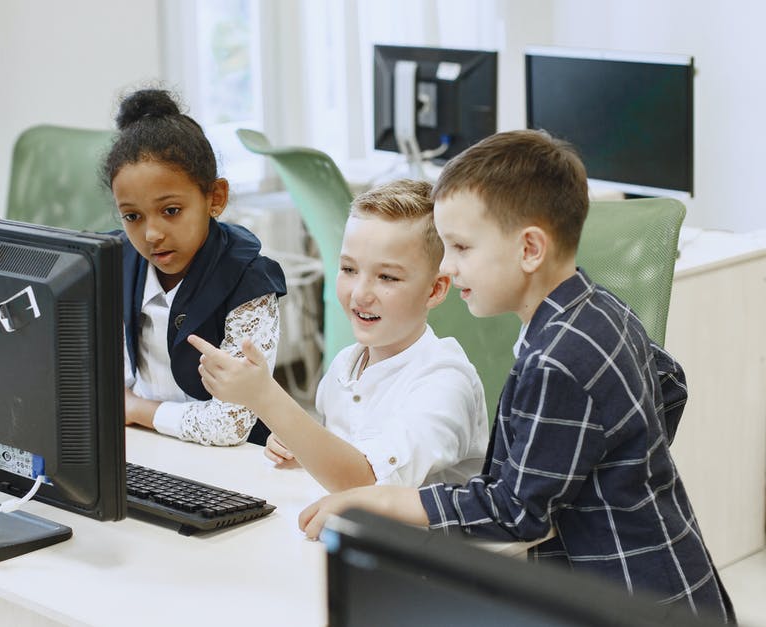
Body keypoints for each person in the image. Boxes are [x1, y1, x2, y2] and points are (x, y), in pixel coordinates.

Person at [298, 130, 734, 622]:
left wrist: (383, 500)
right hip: (676, 570)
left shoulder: (553, 362)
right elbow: (669, 382)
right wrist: (619, 467)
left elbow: (514, 514)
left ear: (529, 250)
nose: (448, 265)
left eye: (461, 247)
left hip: (628, 598)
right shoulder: (599, 307)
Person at [191, 179, 487, 492]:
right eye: (348, 269)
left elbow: (365, 483)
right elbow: (342, 464)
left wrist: (265, 397)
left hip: (424, 540)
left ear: (435, 288)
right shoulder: (346, 364)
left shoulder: (445, 383)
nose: (360, 294)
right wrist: (301, 450)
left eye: (387, 276)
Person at [105, 89, 286, 447]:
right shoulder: (111, 260)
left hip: (236, 459)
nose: (152, 234)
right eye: (132, 216)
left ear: (215, 198)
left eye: (171, 210)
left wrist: (137, 410)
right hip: (144, 445)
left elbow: (230, 423)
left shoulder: (249, 279)